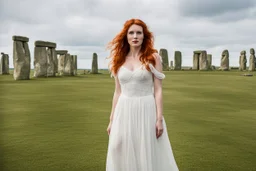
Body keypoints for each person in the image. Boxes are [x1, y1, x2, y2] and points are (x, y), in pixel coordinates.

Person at [105, 18, 179, 171]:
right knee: (117, 146)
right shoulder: (117, 60)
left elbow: (158, 90)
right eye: (131, 33)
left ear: (144, 36)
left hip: (146, 108)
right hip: (123, 109)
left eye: (139, 33)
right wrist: (111, 119)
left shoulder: (153, 58)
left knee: (145, 150)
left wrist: (159, 119)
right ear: (126, 36)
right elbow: (117, 91)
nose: (135, 36)